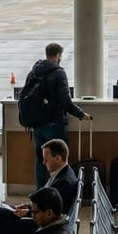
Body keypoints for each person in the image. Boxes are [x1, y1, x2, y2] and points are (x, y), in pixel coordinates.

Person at [21, 43, 91, 186]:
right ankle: (58, 193)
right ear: (58, 55)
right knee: (59, 162)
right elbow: (65, 101)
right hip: (54, 123)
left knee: (41, 161)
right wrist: (80, 114)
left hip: (37, 124)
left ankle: (41, 194)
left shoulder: (33, 72)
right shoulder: (58, 73)